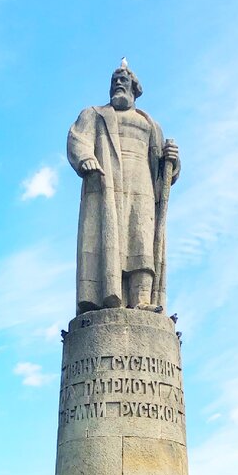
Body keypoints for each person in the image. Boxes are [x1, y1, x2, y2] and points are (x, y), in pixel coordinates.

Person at [67, 61, 180, 312]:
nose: (118, 83)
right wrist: (86, 158)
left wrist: (173, 160)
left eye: (123, 80)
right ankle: (106, 298)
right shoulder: (93, 114)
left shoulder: (150, 123)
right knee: (106, 242)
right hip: (106, 182)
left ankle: (141, 299)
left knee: (141, 239)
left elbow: (164, 167)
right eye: (114, 80)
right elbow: (77, 138)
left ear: (134, 88)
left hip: (142, 186)